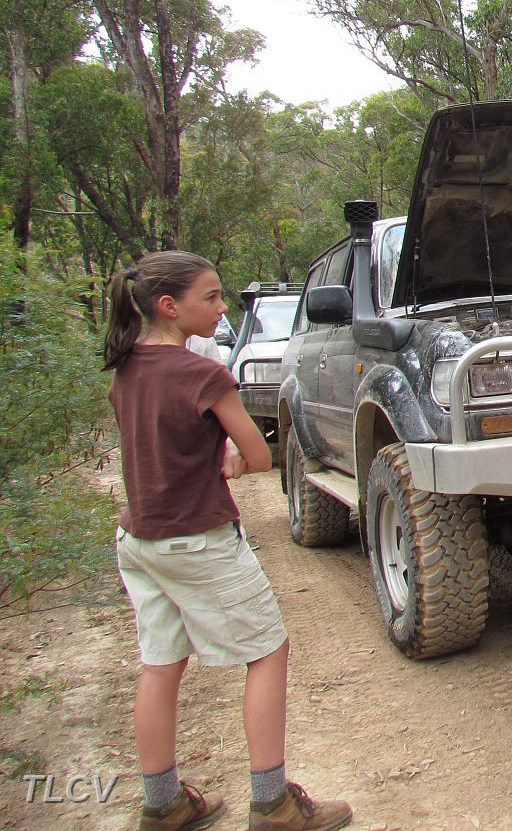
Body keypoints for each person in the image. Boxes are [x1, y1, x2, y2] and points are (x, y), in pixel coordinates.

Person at [103, 251, 351, 831]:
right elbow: (262, 455)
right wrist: (235, 457)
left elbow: (160, 446)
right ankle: (272, 803)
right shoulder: (204, 374)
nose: (220, 308)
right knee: (266, 651)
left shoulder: (127, 368)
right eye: (211, 298)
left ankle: (163, 802)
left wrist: (216, 453)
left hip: (141, 540)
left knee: (160, 663)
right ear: (170, 306)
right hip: (199, 540)